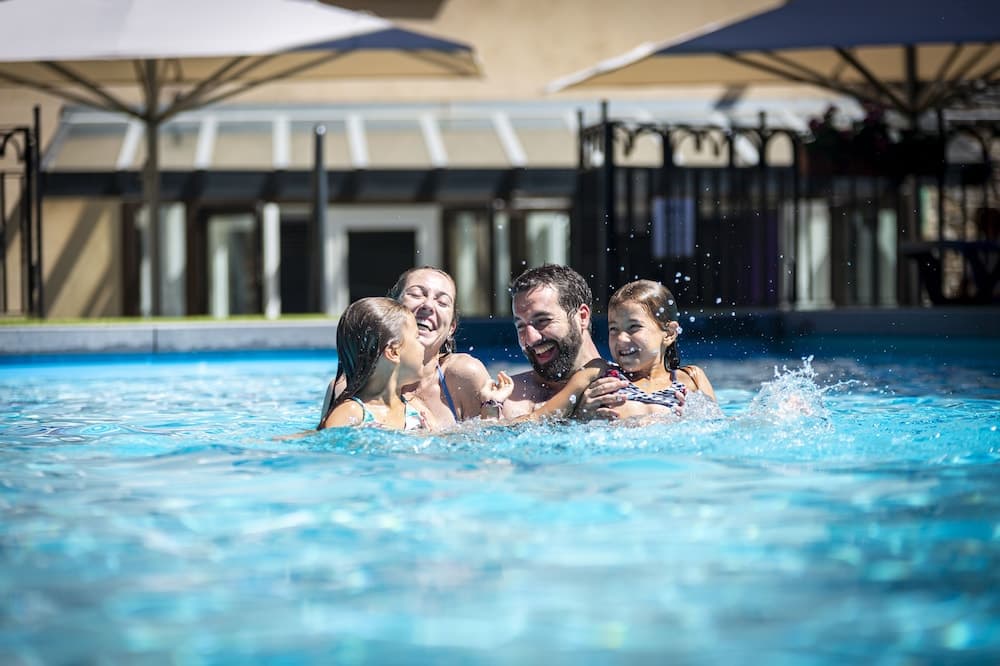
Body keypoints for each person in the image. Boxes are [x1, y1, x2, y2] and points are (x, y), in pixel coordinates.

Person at [320, 267, 513, 427]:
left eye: (442, 302)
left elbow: (485, 445)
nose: (428, 305)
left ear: (451, 328)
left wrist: (491, 408)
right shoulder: (346, 390)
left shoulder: (463, 375)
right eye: (415, 294)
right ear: (392, 307)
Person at [501, 264, 665, 420]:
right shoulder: (507, 398)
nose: (530, 339)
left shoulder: (632, 391)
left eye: (542, 320)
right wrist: (575, 419)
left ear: (582, 317)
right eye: (520, 326)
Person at [605, 279, 715, 419]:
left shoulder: (692, 378)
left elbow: (718, 424)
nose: (621, 338)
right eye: (613, 329)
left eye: (634, 327)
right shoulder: (601, 374)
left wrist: (694, 417)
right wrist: (583, 413)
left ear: (669, 333)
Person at [318, 297, 432, 430]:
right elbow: (326, 442)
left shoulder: (415, 411)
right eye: (417, 337)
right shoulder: (352, 412)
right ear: (393, 352)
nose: (423, 345)